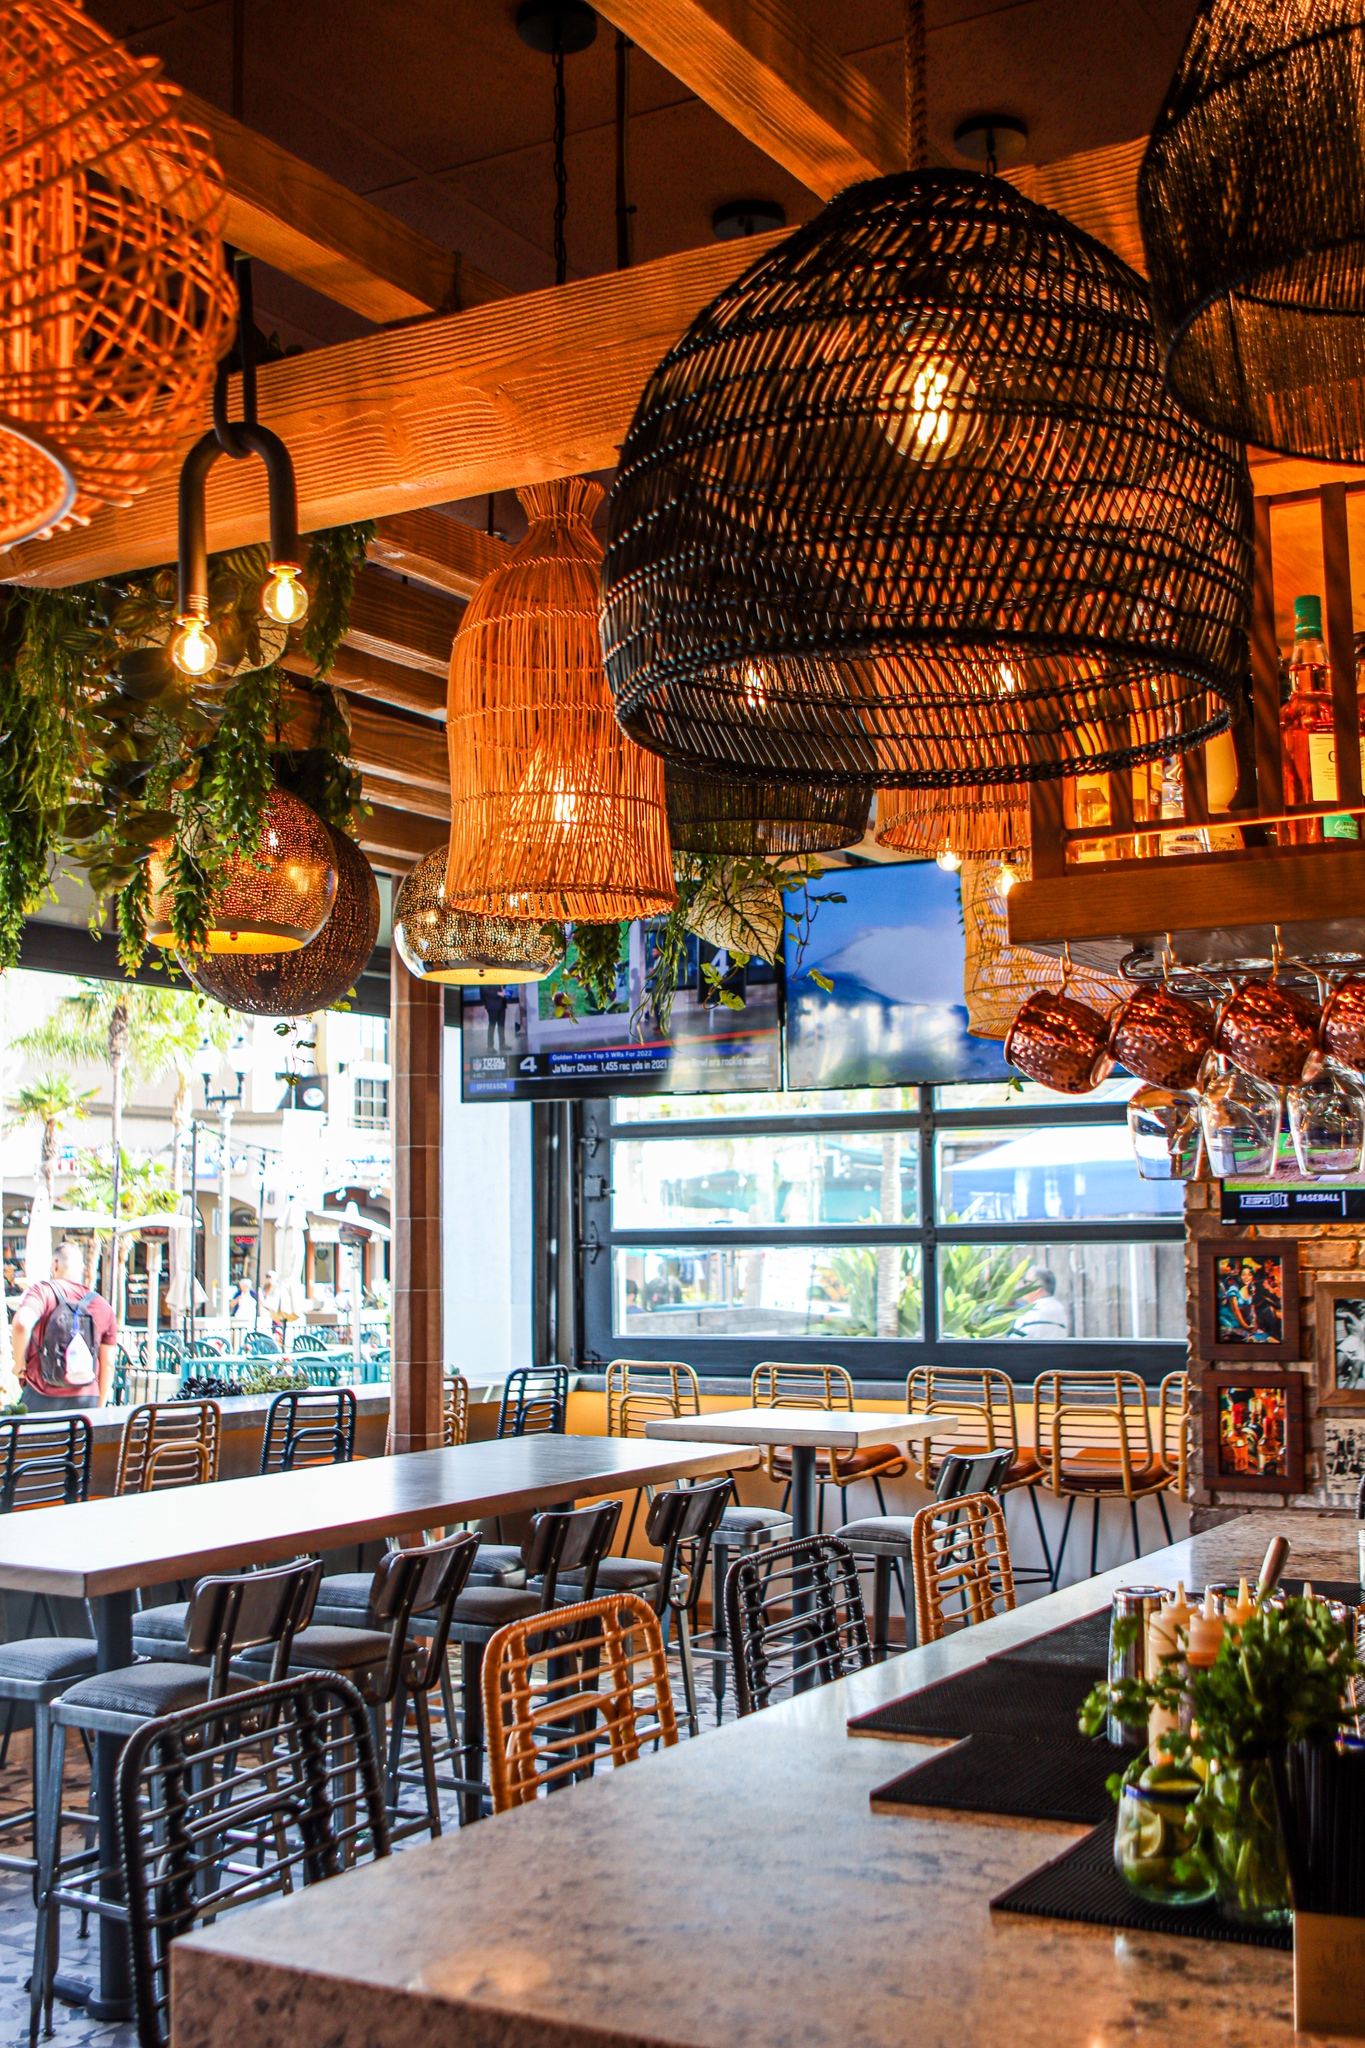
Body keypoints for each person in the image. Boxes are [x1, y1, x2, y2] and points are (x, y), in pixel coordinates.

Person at [9, 1240, 116, 1411]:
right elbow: (108, 1364)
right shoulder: (103, 1306)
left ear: (55, 1264)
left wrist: (19, 1364)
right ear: (82, 1269)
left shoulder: (43, 1292)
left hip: (41, 1397)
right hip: (86, 1401)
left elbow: (21, 1324)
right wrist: (99, 1406)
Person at [1012, 1267, 1069, 1340]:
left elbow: (1014, 1343)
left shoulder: (1030, 1314)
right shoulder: (1061, 1310)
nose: (1022, 1285)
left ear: (1037, 1289)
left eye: (1025, 1282)